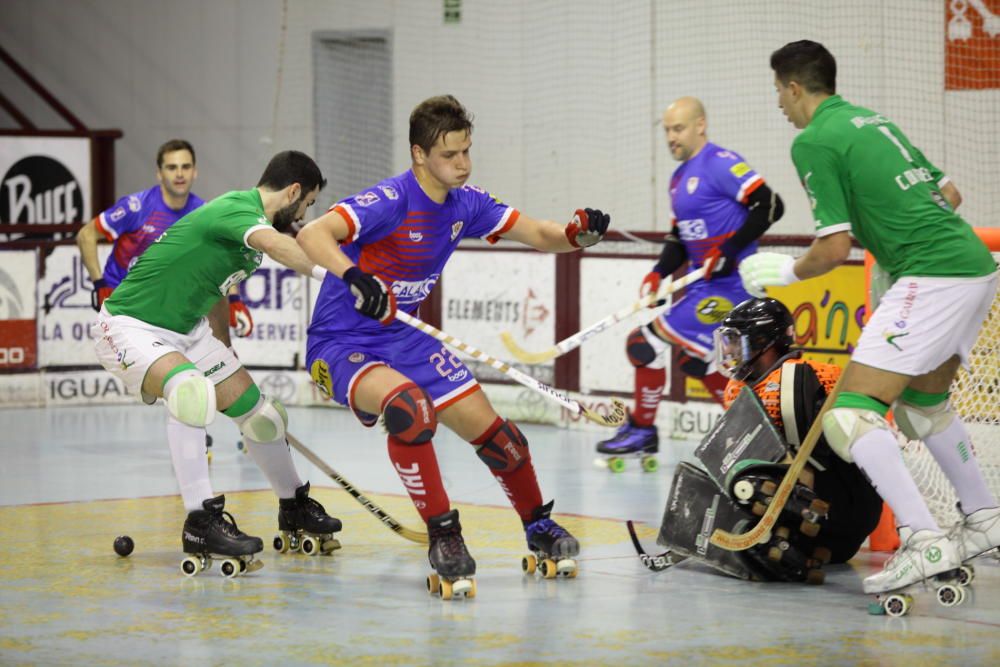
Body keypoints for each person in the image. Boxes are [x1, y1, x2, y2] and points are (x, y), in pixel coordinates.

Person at [296, 94, 611, 594]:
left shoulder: (468, 202)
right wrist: (354, 276)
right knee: (410, 410)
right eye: (450, 155)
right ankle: (443, 534)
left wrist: (578, 235)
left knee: (502, 438)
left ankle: (538, 525)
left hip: (406, 337)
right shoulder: (391, 199)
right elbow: (313, 233)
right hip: (340, 343)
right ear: (420, 155)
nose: (462, 164)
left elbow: (542, 233)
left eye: (466, 151)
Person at [741, 40, 1000, 596]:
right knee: (924, 408)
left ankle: (922, 538)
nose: (780, 107)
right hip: (975, 268)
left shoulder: (813, 140)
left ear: (793, 87)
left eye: (778, 94)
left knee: (849, 417)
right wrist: (890, 242)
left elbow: (832, 250)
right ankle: (984, 517)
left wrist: (784, 274)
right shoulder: (872, 121)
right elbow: (948, 194)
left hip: (932, 276)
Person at [92, 150, 341, 574]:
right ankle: (200, 520)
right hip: (130, 327)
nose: (303, 215)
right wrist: (339, 274)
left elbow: (217, 288)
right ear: (294, 191)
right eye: (307, 204)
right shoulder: (236, 208)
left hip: (190, 332)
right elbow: (278, 244)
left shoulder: (243, 230)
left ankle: (293, 504)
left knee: (265, 418)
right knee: (192, 393)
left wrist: (222, 348)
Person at [595, 97, 785, 461]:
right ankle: (754, 427)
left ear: (701, 125)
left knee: (642, 345)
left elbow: (772, 205)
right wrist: (658, 272)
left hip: (731, 289)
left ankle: (642, 430)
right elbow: (679, 239)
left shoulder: (720, 163)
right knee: (695, 362)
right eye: (666, 130)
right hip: (703, 287)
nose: (671, 137)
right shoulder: (678, 179)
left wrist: (729, 252)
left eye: (678, 128)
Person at [714, 297, 883, 566]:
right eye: (728, 342)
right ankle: (787, 547)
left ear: (762, 342)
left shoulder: (810, 377)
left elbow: (829, 457)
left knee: (749, 480)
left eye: (736, 341)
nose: (730, 350)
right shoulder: (737, 389)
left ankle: (794, 534)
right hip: (808, 522)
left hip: (843, 504)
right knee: (737, 477)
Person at [76, 139, 254, 342]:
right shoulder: (136, 207)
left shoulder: (204, 213)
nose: (179, 174)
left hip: (169, 309)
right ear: (159, 174)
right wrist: (100, 284)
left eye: (185, 167)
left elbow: (222, 258)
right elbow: (86, 235)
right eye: (172, 167)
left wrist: (234, 299)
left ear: (195, 172)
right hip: (124, 306)